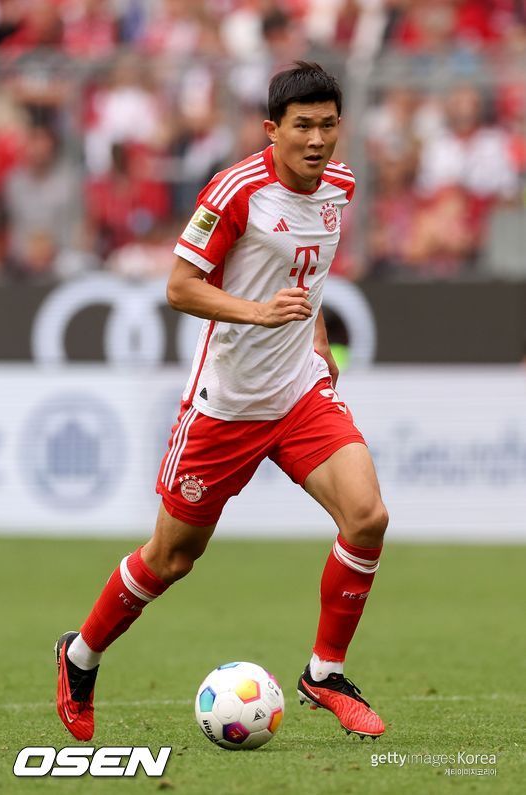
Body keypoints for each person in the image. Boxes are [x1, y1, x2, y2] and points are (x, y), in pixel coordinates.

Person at [55, 61, 389, 742]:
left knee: (367, 517)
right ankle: (80, 655)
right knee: (171, 557)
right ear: (272, 129)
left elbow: (307, 274)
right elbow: (179, 287)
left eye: (328, 125)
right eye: (303, 126)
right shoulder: (237, 190)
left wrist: (314, 334)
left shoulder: (342, 185)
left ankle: (324, 674)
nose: (317, 139)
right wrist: (259, 314)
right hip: (227, 404)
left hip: (299, 392)